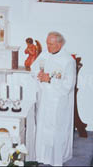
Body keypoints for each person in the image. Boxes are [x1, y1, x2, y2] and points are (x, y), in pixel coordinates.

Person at [30, 31, 76, 166]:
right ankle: (42, 156)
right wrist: (38, 74)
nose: (48, 47)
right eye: (47, 43)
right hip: (45, 99)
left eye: (51, 44)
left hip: (58, 101)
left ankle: (56, 159)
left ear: (60, 44)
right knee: (43, 126)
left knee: (57, 129)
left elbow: (69, 85)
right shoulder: (44, 55)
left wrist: (49, 79)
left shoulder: (68, 60)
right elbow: (33, 69)